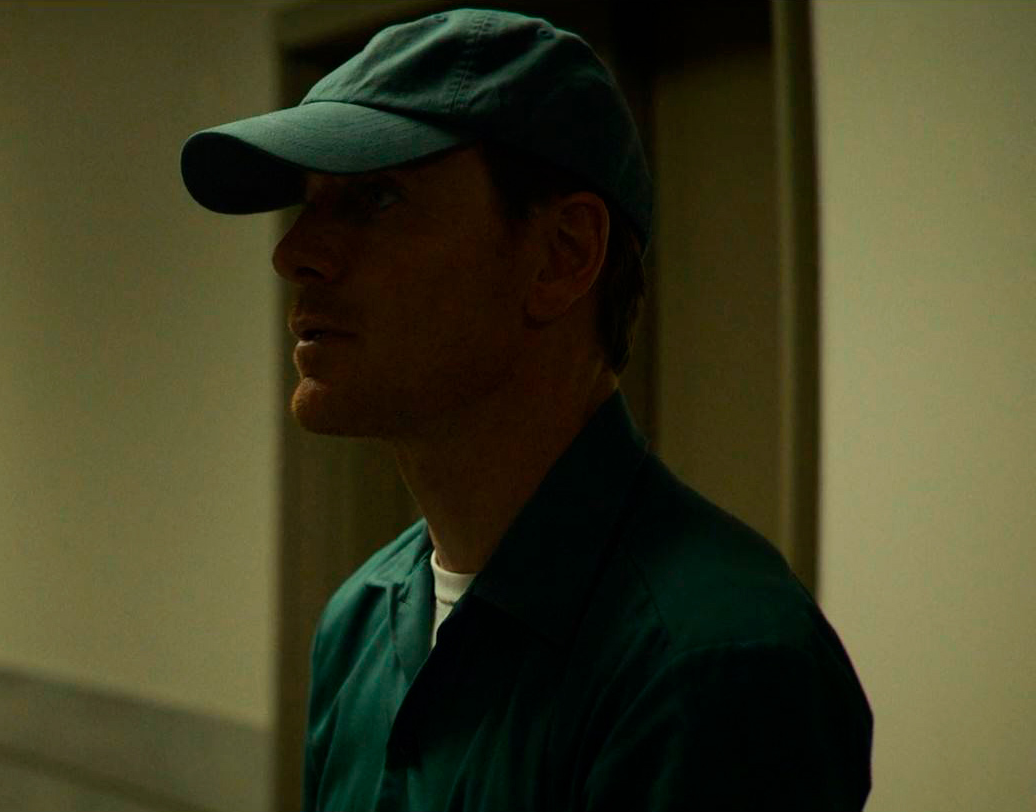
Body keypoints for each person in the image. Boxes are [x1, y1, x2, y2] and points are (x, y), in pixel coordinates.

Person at [180, 8, 872, 811]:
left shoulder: (714, 669)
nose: (292, 252)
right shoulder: (359, 623)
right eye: (308, 201)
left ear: (563, 254)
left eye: (376, 197)